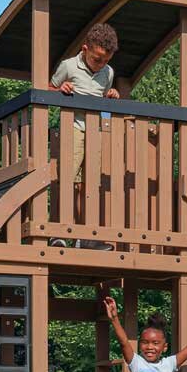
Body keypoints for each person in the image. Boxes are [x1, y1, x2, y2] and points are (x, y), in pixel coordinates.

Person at [50, 23, 120, 248]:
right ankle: (57, 232)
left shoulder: (107, 73)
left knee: (91, 182)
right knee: (68, 179)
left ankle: (87, 236)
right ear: (84, 49)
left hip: (95, 130)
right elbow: (48, 89)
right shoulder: (68, 67)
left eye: (106, 60)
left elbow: (102, 99)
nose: (101, 64)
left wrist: (111, 95)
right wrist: (62, 90)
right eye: (96, 59)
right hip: (73, 127)